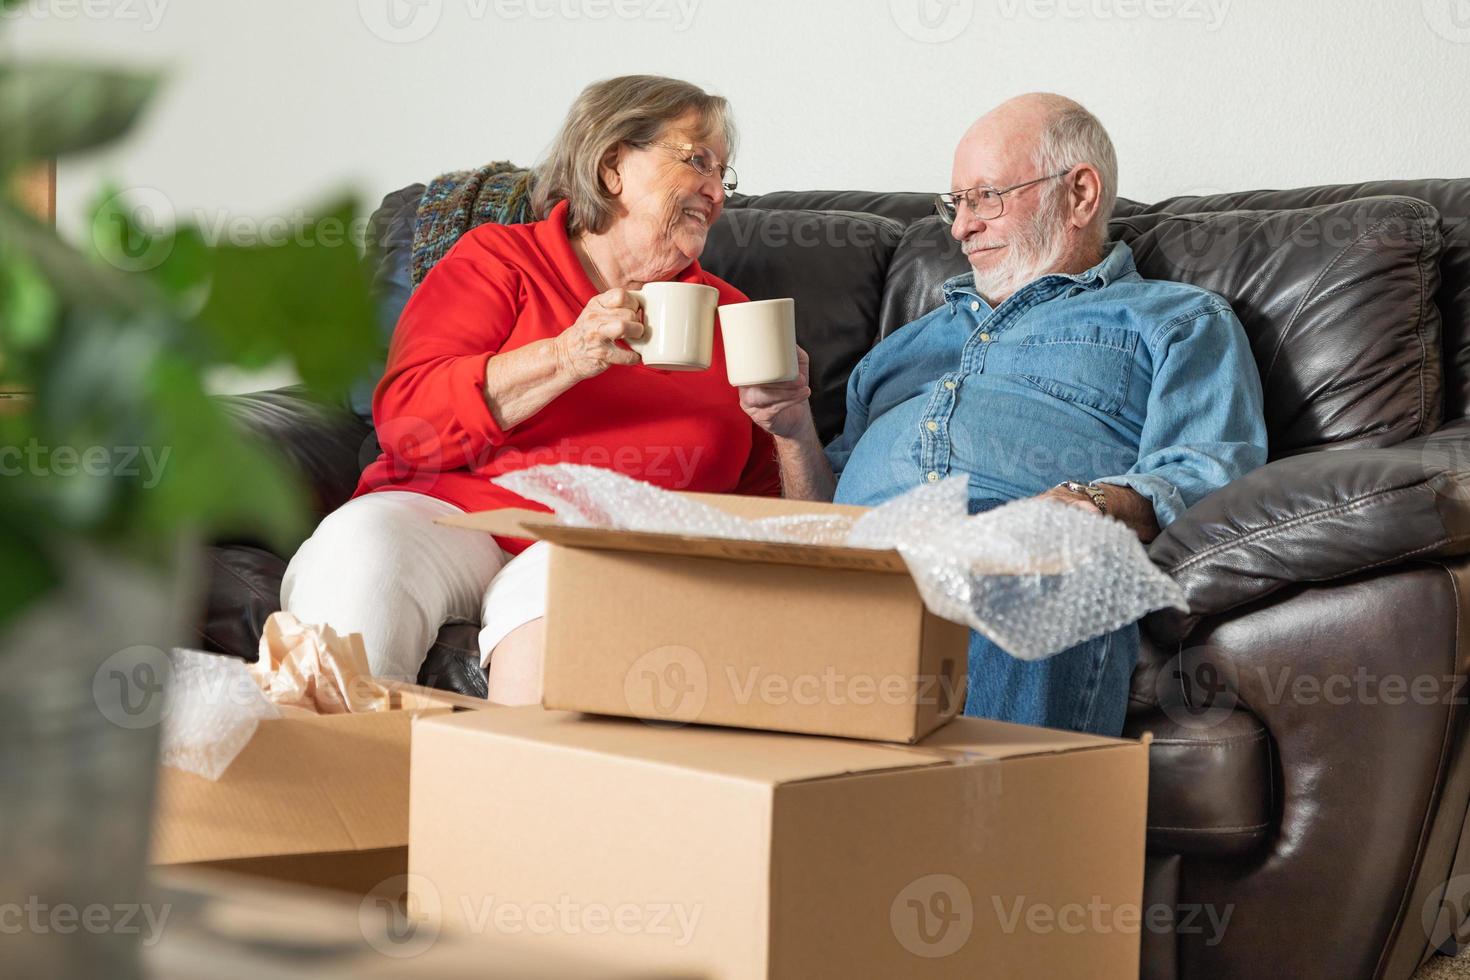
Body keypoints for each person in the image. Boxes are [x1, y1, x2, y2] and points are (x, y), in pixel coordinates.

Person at [739, 93, 1267, 736]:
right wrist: (794, 429)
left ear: (1079, 195)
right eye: (954, 204)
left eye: (985, 197)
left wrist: (1091, 503)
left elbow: (1210, 467)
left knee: (1060, 563)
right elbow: (818, 519)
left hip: (1018, 553)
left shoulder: (1176, 321)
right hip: (862, 565)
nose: (960, 228)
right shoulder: (900, 350)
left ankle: (985, 824)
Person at [282, 75, 778, 700]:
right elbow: (407, 424)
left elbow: (766, 502)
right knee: (362, 548)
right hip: (450, 516)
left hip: (607, 543)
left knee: (575, 594)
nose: (716, 192)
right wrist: (566, 356)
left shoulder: (734, 318)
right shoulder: (498, 261)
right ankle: (332, 788)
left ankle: (514, 793)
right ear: (610, 168)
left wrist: (793, 425)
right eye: (697, 162)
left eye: (723, 176)